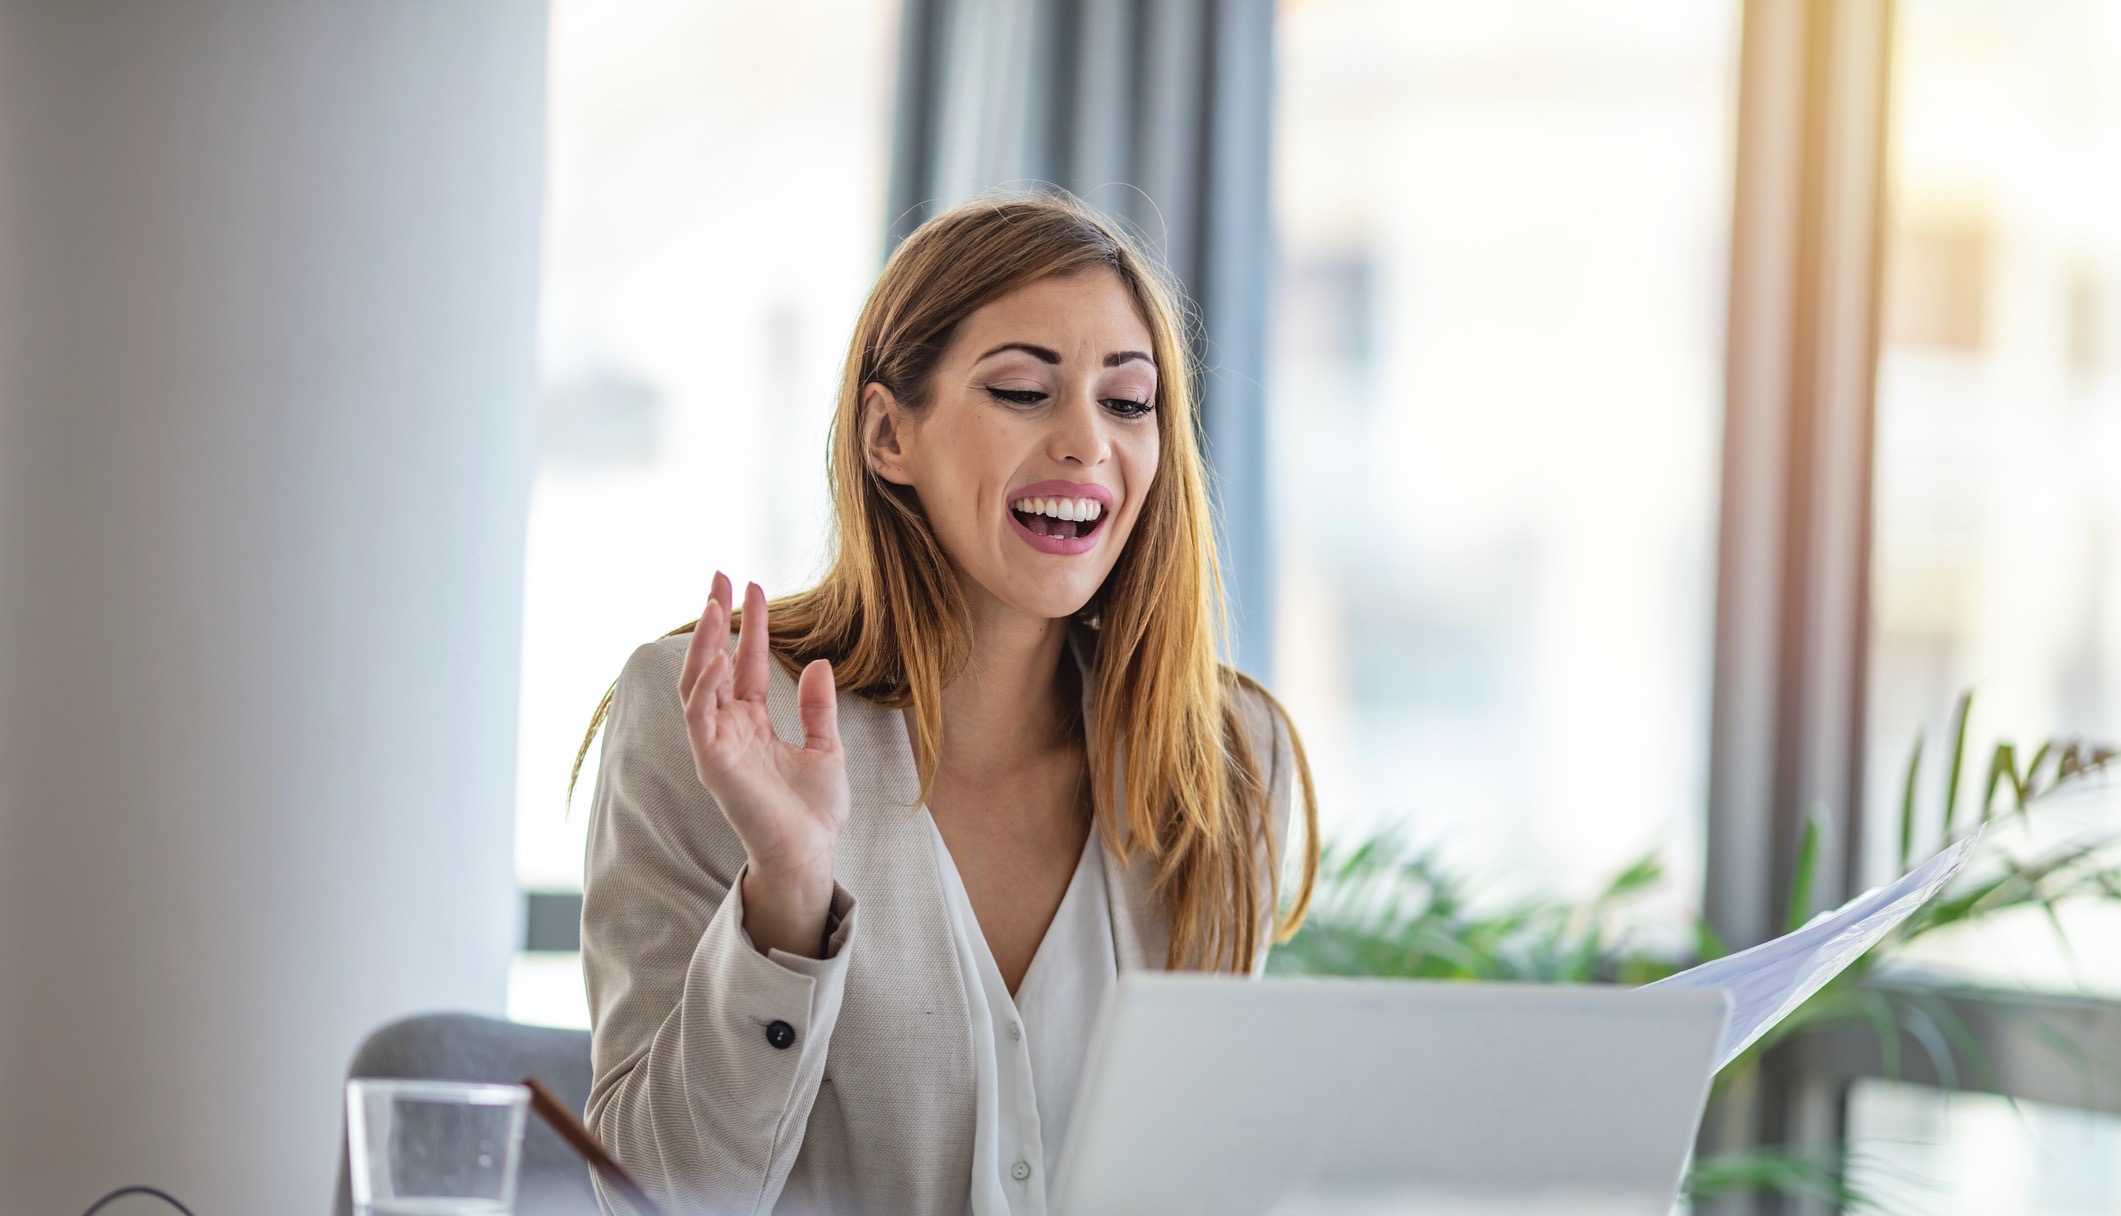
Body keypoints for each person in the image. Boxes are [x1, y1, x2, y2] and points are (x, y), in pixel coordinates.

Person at [573, 195, 1320, 1216]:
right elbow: (652, 1197)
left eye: (1129, 402)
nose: (1085, 442)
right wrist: (787, 892)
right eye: (1022, 390)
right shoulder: (708, 721)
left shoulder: (1225, 754)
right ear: (888, 434)